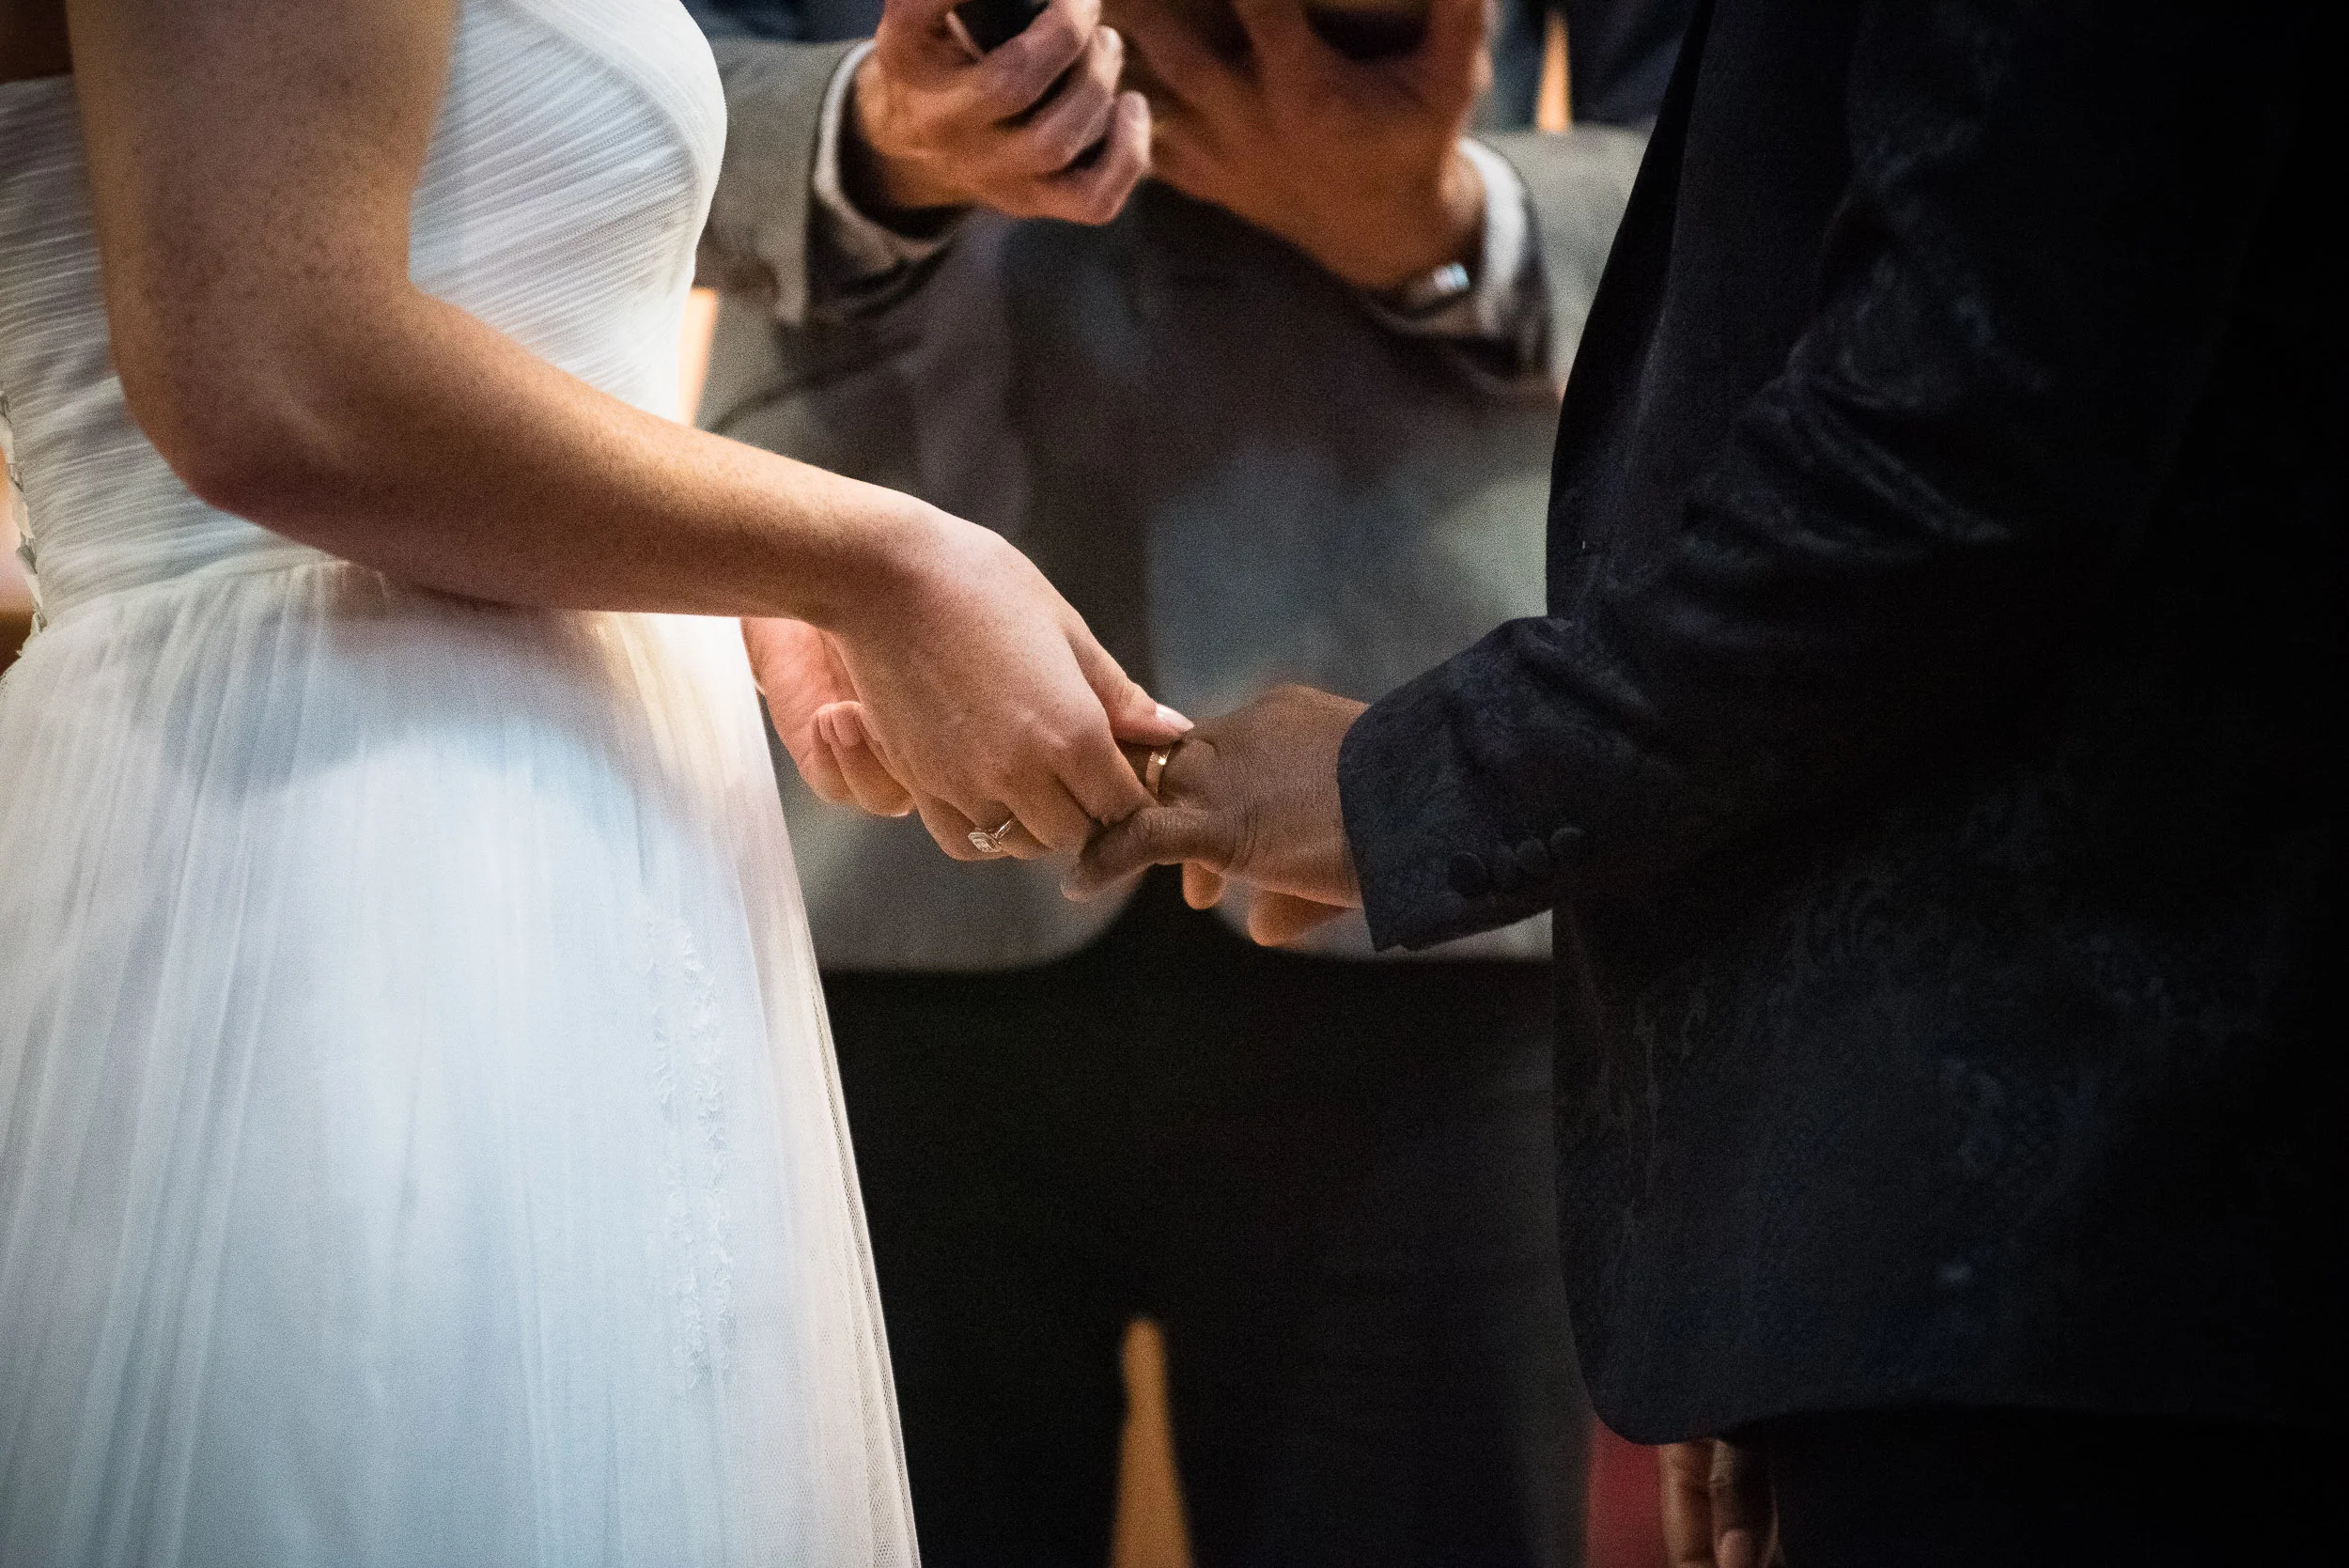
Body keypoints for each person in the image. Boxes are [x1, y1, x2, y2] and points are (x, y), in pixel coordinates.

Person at [1075, 0, 2346, 1560]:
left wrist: (1402, 778)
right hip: (1949, 1204)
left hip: (2112, 1203)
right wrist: (1775, 1242)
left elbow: (1957, 449)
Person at [0, 0, 1189, 1559]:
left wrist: (705, 565)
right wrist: (879, 560)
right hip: (331, 871)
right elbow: (271, 371)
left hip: (551, 870)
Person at [686, 0, 1679, 1560]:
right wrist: (868, 137)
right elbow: (602, 77)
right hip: (868, 845)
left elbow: (1756, 167)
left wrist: (1449, 221)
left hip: (1409, 821)